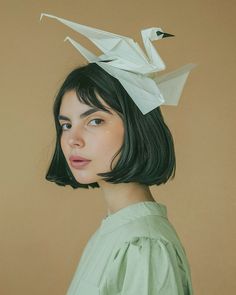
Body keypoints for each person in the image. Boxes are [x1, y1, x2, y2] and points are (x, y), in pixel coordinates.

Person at [45, 62, 194, 294]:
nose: (72, 139)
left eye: (94, 121)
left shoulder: (144, 245)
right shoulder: (114, 231)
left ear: (137, 127)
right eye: (66, 125)